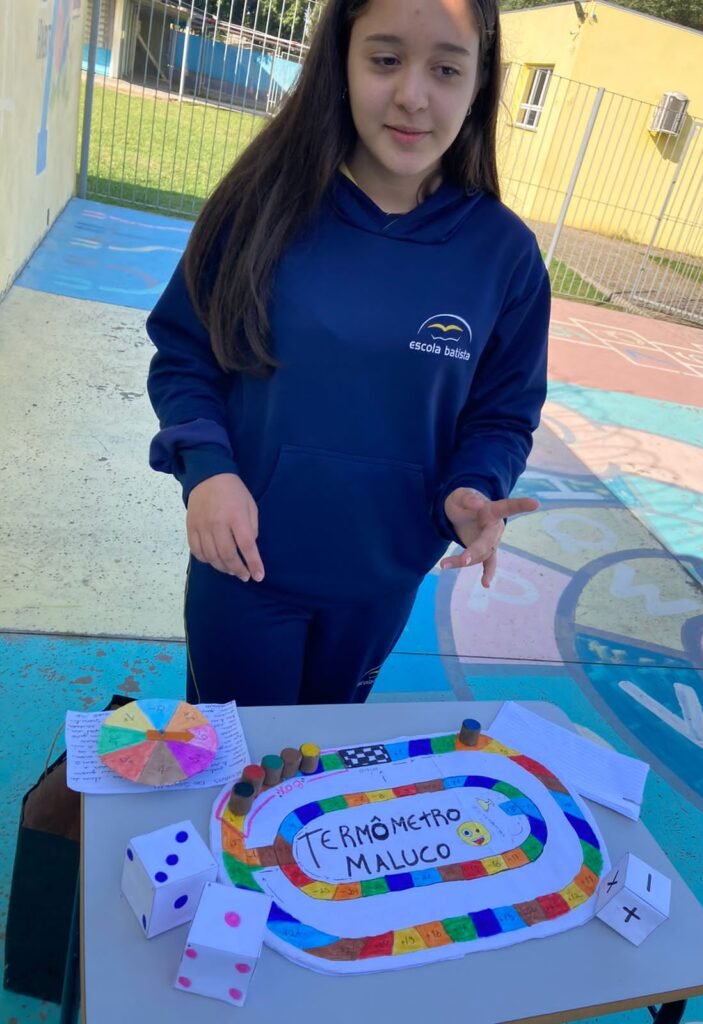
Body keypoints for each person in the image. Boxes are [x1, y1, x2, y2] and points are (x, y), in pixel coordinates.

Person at [146, 0, 550, 708]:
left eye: (446, 69)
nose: (413, 96)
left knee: (314, 759)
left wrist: (474, 486)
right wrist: (207, 471)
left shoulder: (506, 256)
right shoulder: (259, 206)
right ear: (341, 61)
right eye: (385, 60)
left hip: (380, 583)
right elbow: (186, 353)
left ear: (479, 83)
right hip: (243, 569)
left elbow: (502, 414)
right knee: (234, 762)